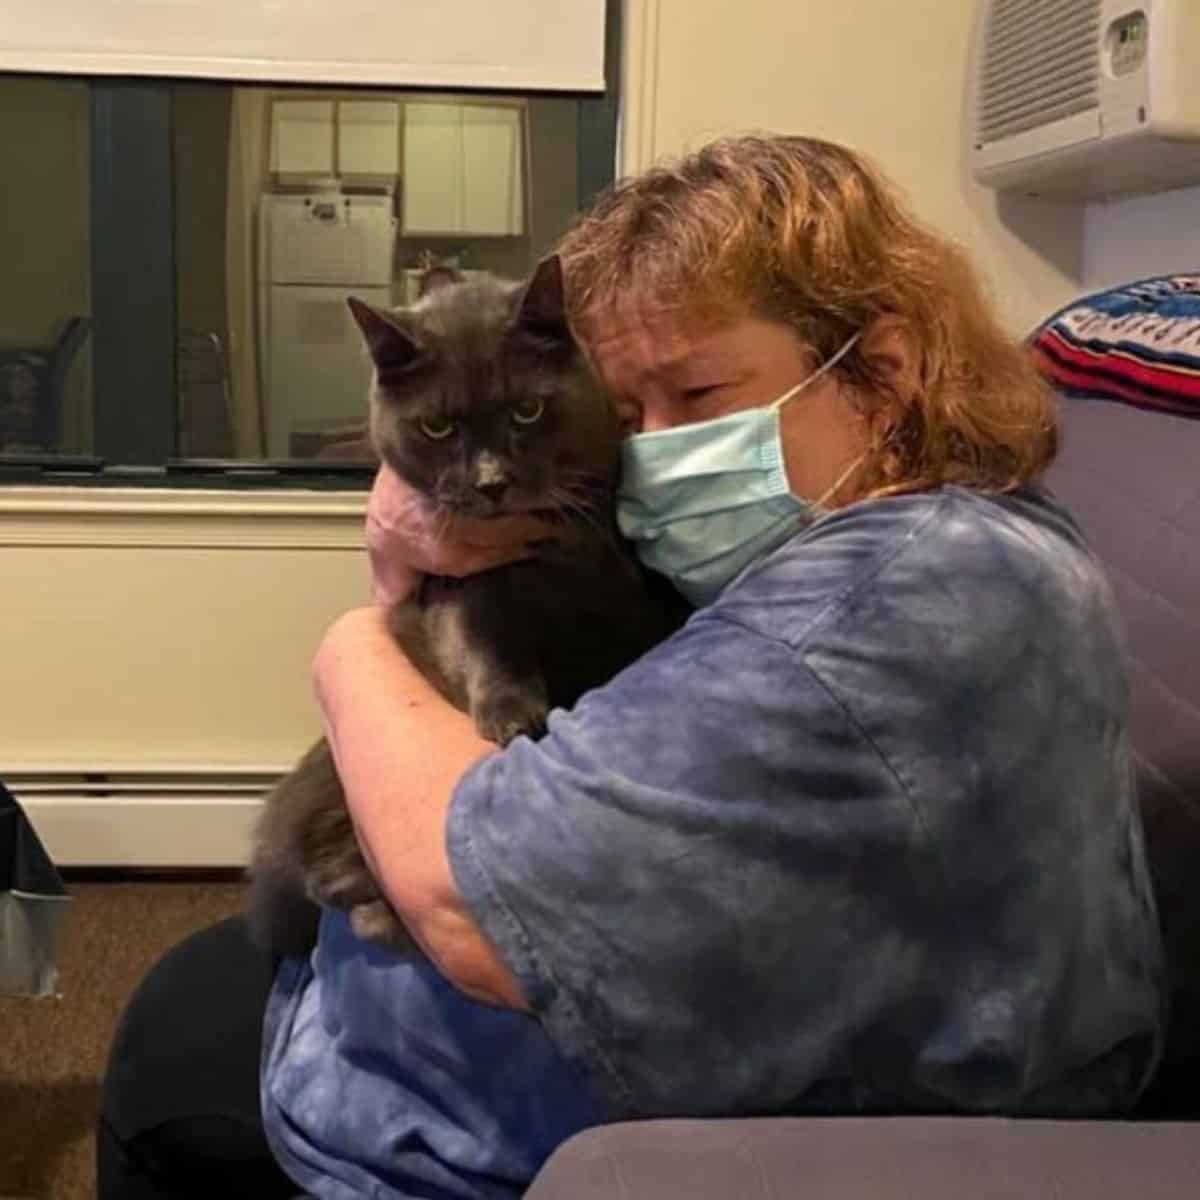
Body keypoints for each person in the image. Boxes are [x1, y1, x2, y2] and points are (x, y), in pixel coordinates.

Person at [98, 135, 1165, 1200]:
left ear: (882, 376)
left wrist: (356, 637)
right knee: (196, 992)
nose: (653, 452)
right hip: (595, 1045)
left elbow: (470, 902)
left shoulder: (910, 588)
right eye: (626, 413)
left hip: (688, 1144)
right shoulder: (887, 520)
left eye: (697, 395)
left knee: (171, 1078)